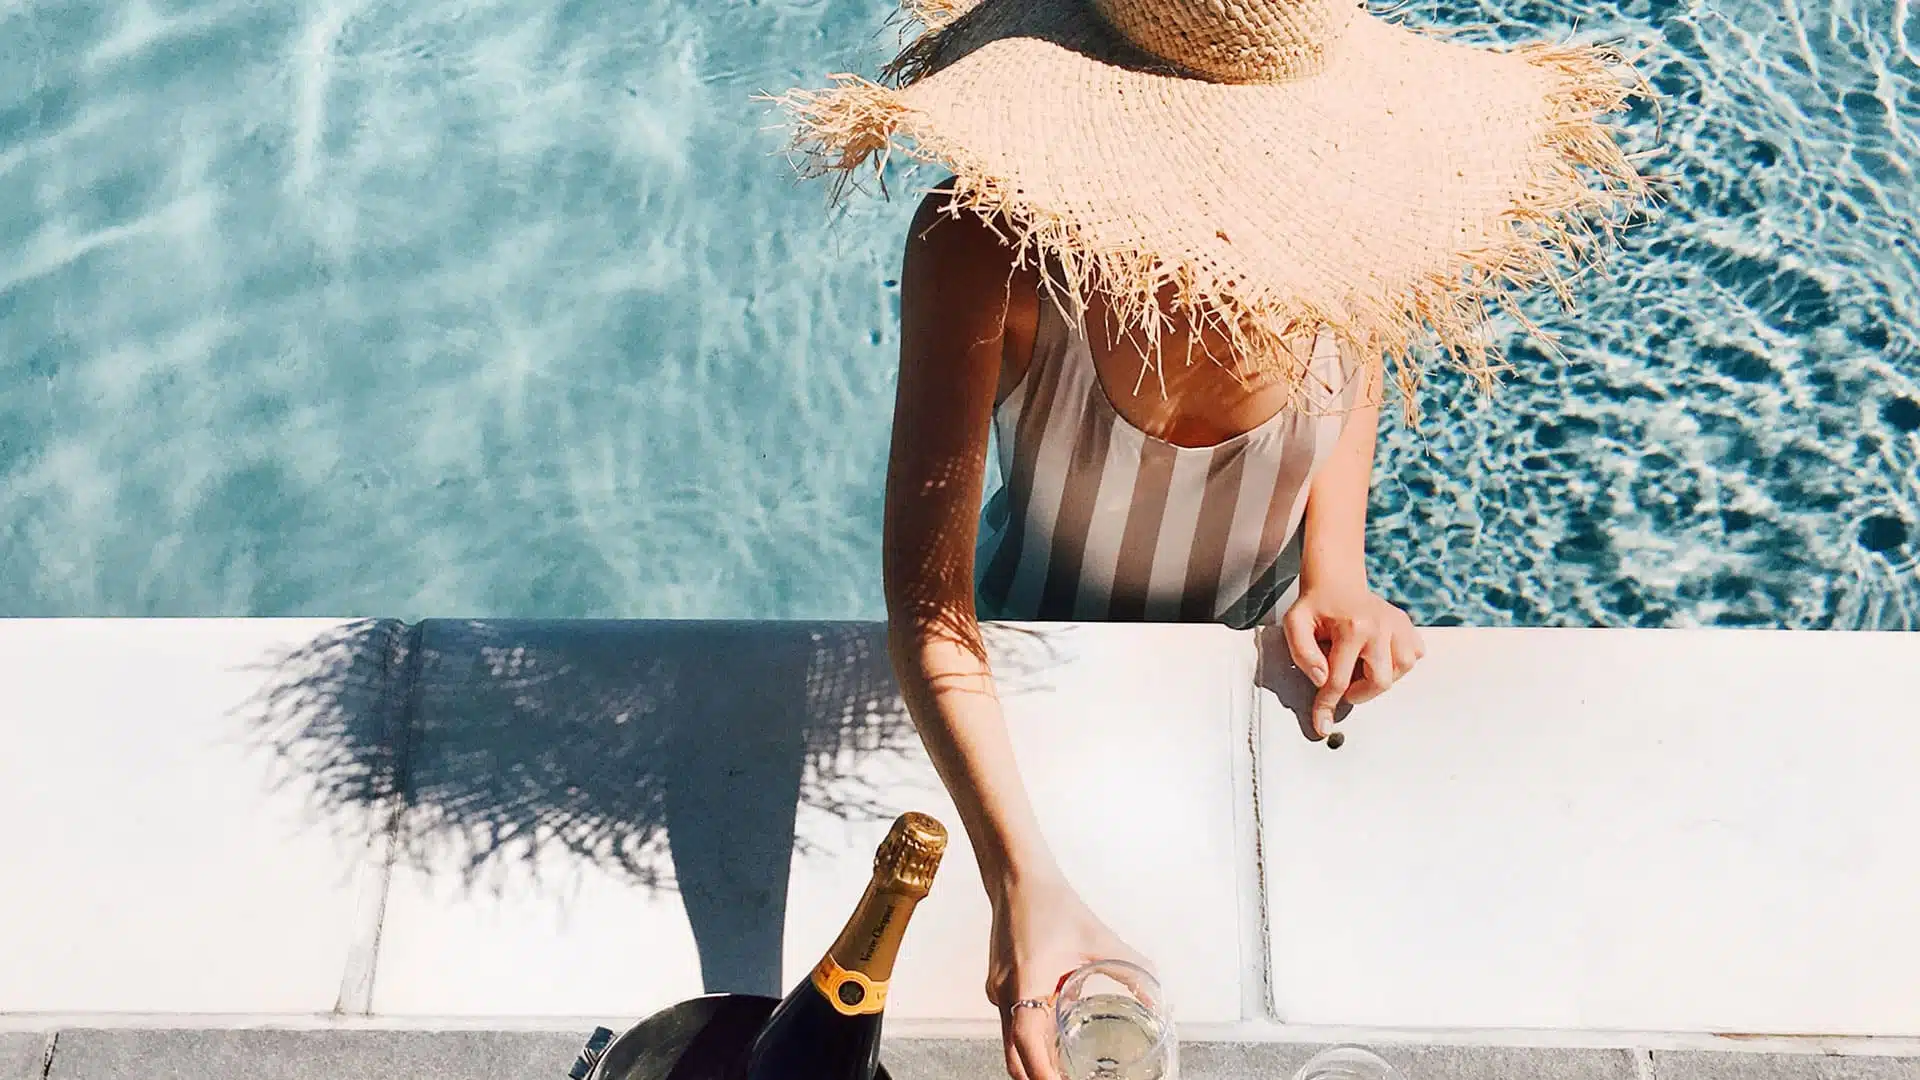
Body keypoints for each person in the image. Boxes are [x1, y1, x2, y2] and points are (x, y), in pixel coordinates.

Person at [771, 0, 1649, 1076]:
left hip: (1251, 660)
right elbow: (932, 608)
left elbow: (1354, 357)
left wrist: (1339, 571)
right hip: (1034, 670)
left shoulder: (1351, 224)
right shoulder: (981, 248)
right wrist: (1022, 883)